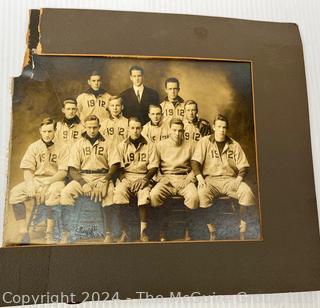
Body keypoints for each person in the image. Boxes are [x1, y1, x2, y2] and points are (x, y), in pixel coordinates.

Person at [191, 114, 255, 240]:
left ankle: (242, 228)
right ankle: (212, 230)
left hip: (230, 180)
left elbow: (244, 166)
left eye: (224, 127)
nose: (222, 130)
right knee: (202, 193)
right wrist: (199, 178)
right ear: (214, 127)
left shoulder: (234, 144)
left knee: (246, 192)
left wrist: (239, 179)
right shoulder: (205, 141)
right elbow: (195, 161)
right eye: (219, 127)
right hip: (211, 180)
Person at [60, 115, 121, 243]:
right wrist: (83, 183)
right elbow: (72, 169)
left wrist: (105, 181)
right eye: (89, 127)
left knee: (110, 194)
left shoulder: (108, 142)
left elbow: (115, 165)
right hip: (83, 177)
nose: (92, 130)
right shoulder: (78, 144)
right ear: (85, 127)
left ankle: (108, 233)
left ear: (99, 127)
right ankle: (66, 232)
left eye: (95, 127)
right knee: (65, 193)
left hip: (102, 177)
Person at [9, 117, 68, 244]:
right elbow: (27, 169)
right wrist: (30, 185)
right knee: (15, 193)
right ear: (40, 131)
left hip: (55, 179)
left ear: (55, 131)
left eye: (50, 131)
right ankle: (23, 232)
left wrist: (48, 183)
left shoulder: (62, 147)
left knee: (52, 194)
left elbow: (63, 172)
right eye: (44, 131)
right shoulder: (34, 147)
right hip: (37, 180)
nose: (47, 135)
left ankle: (49, 233)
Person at [150, 118, 199, 241]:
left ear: (183, 131)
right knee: (154, 195)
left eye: (180, 131)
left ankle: (189, 230)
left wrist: (190, 177)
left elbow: (197, 165)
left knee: (194, 197)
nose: (177, 133)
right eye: (174, 130)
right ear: (169, 130)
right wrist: (161, 178)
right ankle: (162, 231)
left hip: (184, 177)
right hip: (167, 179)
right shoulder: (160, 145)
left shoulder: (191, 144)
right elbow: (154, 167)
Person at [113, 117, 159, 242]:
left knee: (144, 194)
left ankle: (143, 232)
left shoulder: (150, 145)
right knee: (119, 192)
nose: (135, 131)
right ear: (128, 129)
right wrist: (123, 180)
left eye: (138, 128)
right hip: (127, 176)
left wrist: (145, 180)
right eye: (132, 128)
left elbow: (154, 166)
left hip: (143, 176)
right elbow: (118, 167)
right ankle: (125, 231)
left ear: (142, 129)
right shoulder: (121, 145)